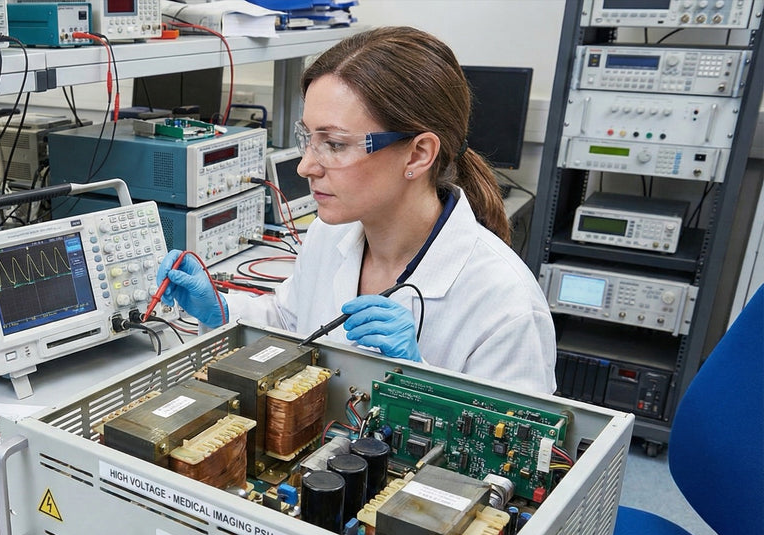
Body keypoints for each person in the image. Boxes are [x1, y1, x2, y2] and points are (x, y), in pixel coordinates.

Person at [155, 26, 556, 393]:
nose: (305, 167)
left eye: (335, 144)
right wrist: (221, 308)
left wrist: (420, 380)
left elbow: (514, 463)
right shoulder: (330, 234)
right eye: (308, 138)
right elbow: (291, 321)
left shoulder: (508, 307)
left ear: (418, 154)